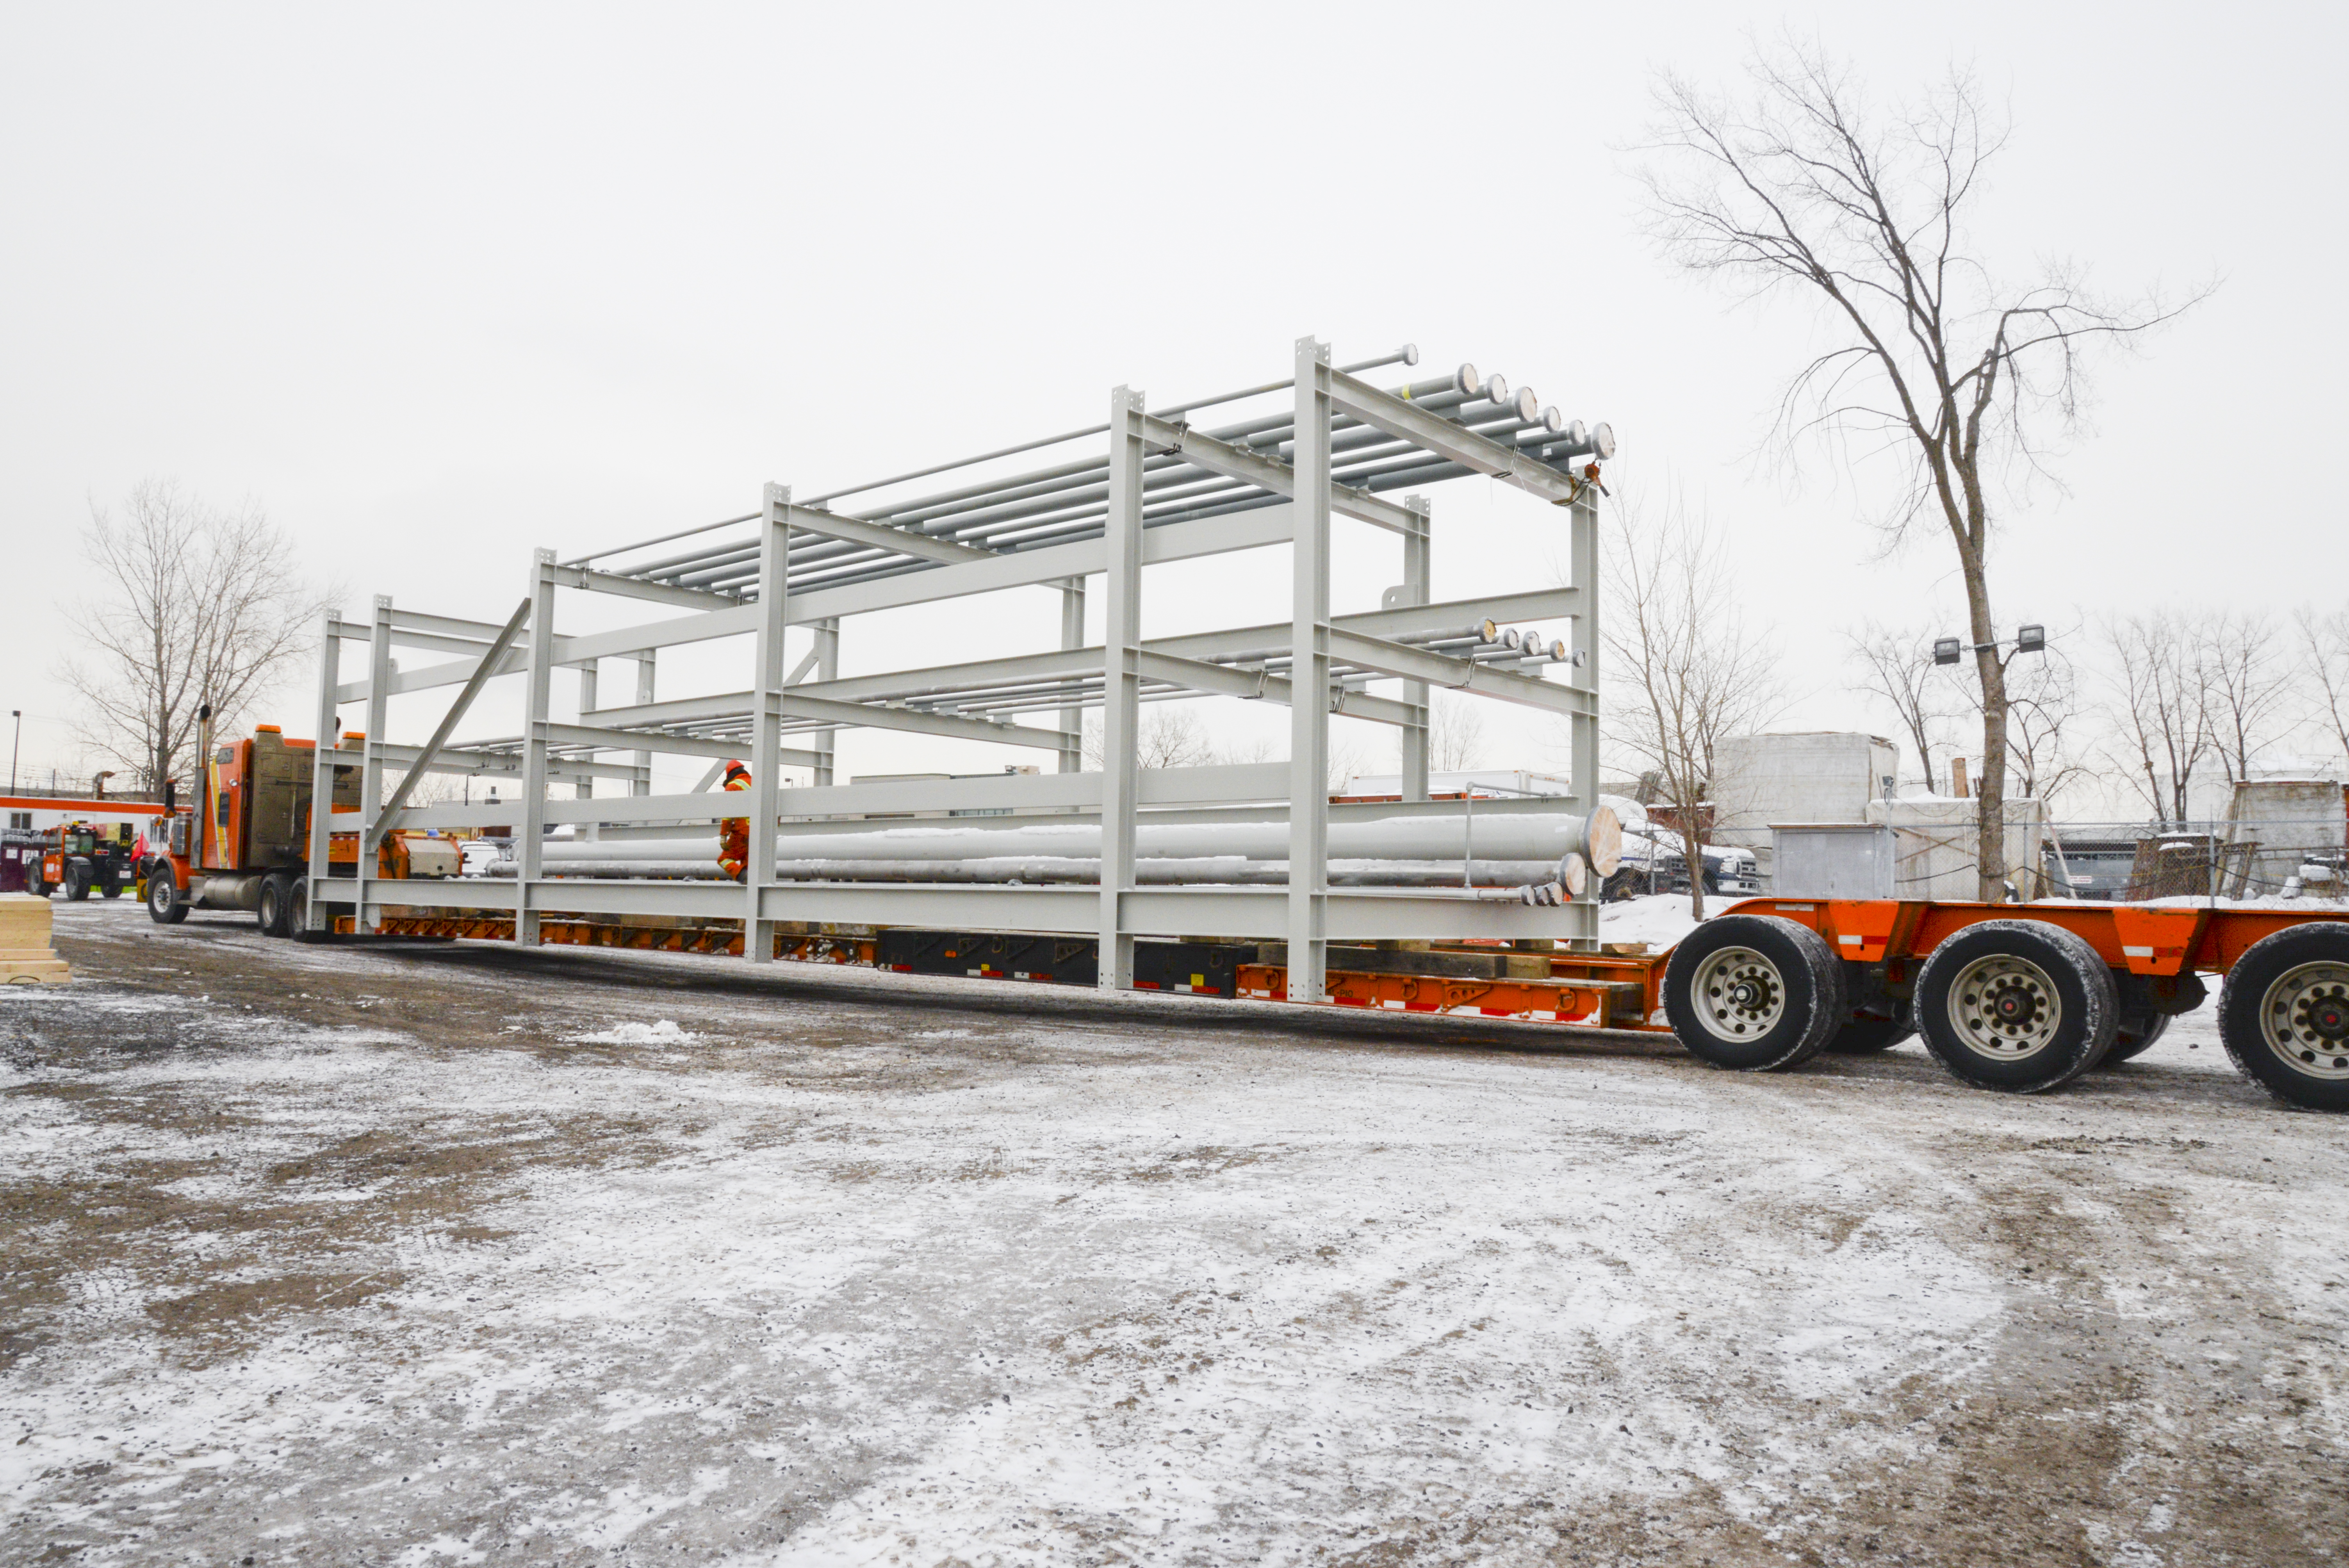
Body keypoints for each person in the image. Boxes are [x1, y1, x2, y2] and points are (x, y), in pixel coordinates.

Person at [717, 760, 752, 881]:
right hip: (762, 831)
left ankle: (742, 877)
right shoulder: (759, 783)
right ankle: (751, 882)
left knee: (724, 859)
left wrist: (723, 836)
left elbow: (727, 816)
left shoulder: (733, 786)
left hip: (743, 832)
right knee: (748, 863)